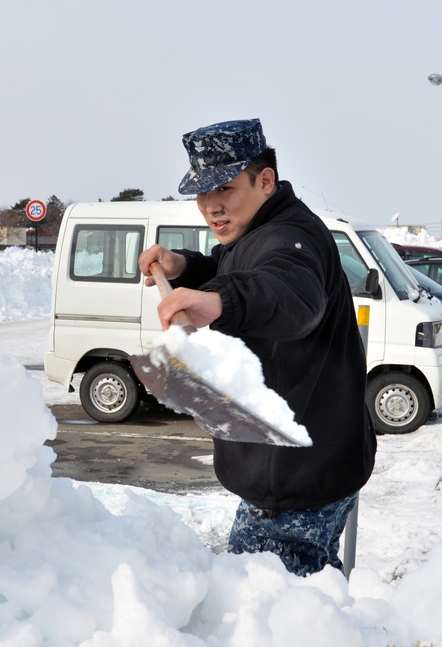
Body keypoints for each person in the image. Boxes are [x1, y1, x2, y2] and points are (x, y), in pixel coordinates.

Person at [138, 118, 376, 576]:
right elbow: (236, 269)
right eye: (202, 194)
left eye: (224, 188)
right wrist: (184, 267)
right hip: (301, 469)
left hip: (295, 489)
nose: (211, 207)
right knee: (292, 611)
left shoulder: (291, 241)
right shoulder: (255, 229)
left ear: (265, 180)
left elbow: (289, 294)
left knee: (273, 626)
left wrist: (220, 302)